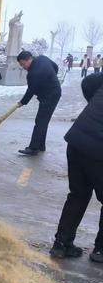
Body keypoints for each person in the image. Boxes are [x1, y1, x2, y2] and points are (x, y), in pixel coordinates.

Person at [50, 73, 103, 263]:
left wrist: (94, 105)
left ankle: (61, 244)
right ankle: (100, 251)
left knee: (78, 195)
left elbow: (88, 81)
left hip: (77, 140)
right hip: (99, 148)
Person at [16, 51, 61, 156]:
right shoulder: (42, 58)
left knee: (40, 121)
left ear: (28, 59)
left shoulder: (34, 73)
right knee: (43, 121)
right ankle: (41, 145)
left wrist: (22, 102)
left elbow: (31, 90)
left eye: (23, 64)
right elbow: (55, 67)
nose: (23, 67)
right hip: (54, 92)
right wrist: (51, 79)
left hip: (49, 95)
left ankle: (33, 148)